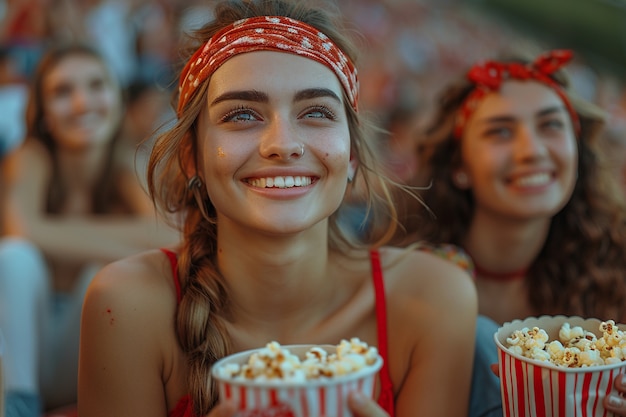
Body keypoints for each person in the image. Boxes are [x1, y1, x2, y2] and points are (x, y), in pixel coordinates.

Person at [77, 1, 478, 416]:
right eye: (242, 114)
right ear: (191, 156)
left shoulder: (433, 298)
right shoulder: (127, 305)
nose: (282, 144)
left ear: (353, 155)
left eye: (317, 112)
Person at [404, 49, 626, 416]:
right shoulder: (405, 281)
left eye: (551, 125)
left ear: (577, 149)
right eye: (501, 131)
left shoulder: (617, 278)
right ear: (459, 165)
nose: (532, 151)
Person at [0, 42, 179, 417]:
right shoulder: (31, 157)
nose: (82, 103)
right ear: (44, 111)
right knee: (15, 259)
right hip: (19, 352)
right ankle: (18, 405)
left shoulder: (129, 163)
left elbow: (173, 236)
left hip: (87, 359)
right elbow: (21, 234)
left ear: (116, 99)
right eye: (63, 92)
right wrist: (127, 235)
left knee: (108, 274)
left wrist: (51, 233)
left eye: (97, 86)